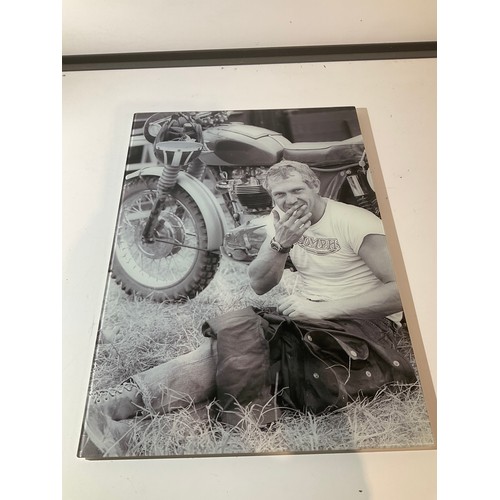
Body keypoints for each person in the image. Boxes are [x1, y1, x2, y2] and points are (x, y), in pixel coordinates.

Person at [83, 160, 415, 457]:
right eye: (280, 194)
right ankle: (120, 421)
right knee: (239, 343)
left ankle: (121, 411)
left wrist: (324, 310)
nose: (290, 200)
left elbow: (401, 292)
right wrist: (280, 244)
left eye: (297, 189)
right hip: (307, 317)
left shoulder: (356, 223)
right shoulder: (281, 224)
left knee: (256, 360)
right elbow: (259, 284)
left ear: (315, 186)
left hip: (364, 328)